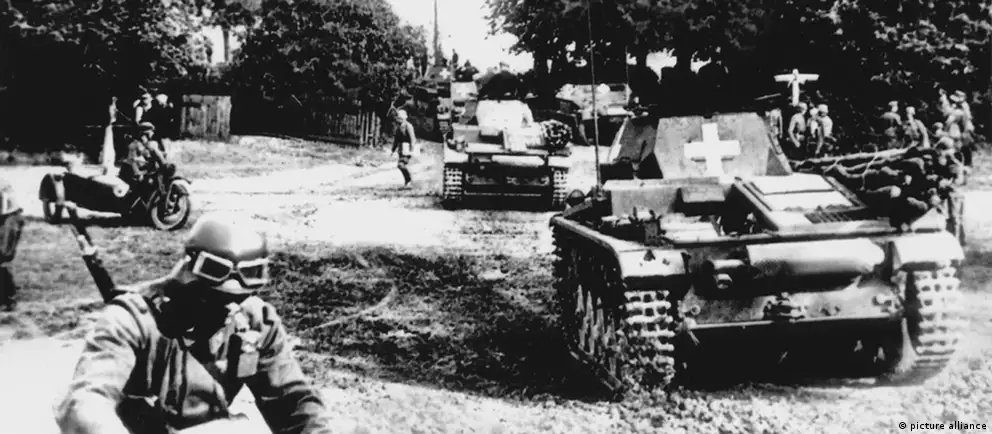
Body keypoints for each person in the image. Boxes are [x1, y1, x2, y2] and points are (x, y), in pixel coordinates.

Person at [54, 213, 334, 434]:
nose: (230, 309)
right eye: (213, 298)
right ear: (187, 274)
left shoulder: (256, 321)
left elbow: (293, 401)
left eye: (239, 299)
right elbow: (86, 401)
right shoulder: (132, 319)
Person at [0, 178, 24, 311]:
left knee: (3, 257)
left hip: (10, 218)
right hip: (5, 217)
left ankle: (7, 300)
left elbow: (5, 207)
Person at [391, 109, 417, 187]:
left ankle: (409, 180)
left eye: (400, 118)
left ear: (404, 118)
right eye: (398, 118)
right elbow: (396, 140)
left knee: (401, 164)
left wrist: (411, 149)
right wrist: (393, 150)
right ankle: (407, 181)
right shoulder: (398, 127)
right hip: (401, 149)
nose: (398, 119)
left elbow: (413, 139)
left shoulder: (408, 126)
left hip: (407, 148)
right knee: (401, 165)